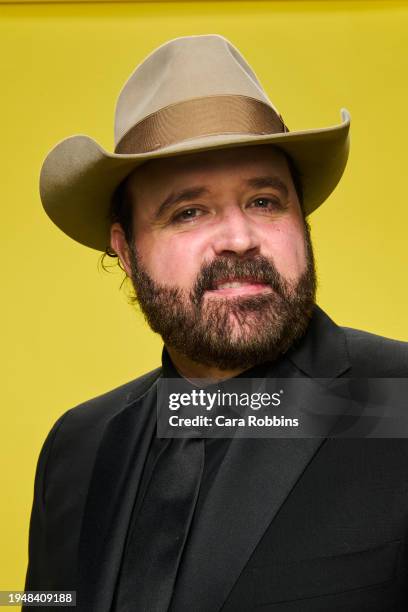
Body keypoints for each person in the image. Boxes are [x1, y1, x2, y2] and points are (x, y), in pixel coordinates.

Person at [24, 35, 408, 612]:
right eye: (188, 211)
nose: (238, 238)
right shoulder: (76, 446)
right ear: (125, 251)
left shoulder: (397, 402)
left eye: (264, 201)